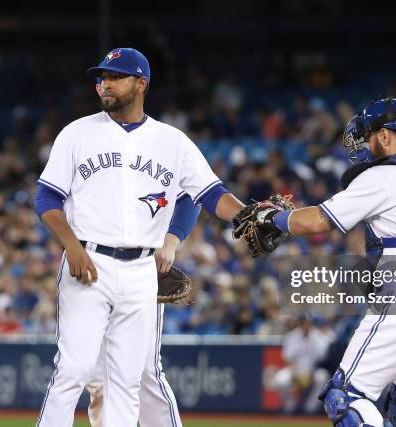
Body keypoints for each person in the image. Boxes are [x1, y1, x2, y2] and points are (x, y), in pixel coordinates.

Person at [34, 47, 245, 426]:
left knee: (127, 384)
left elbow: (209, 194)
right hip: (88, 261)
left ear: (141, 83)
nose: (105, 84)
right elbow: (46, 196)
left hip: (141, 272)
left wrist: (248, 215)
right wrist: (70, 246)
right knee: (73, 371)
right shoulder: (77, 133)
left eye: (115, 77)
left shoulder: (172, 141)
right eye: (102, 77)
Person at [244, 98, 396, 426]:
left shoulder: (384, 176)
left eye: (370, 135)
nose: (366, 144)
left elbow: (318, 221)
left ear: (387, 135)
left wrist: (274, 218)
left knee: (346, 398)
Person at [86, 191, 201, 427]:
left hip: (140, 267)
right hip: (93, 267)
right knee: (98, 377)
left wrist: (171, 240)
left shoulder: (156, 154)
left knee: (146, 372)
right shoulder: (89, 156)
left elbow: (193, 194)